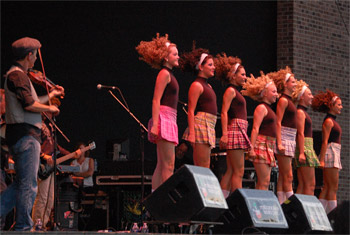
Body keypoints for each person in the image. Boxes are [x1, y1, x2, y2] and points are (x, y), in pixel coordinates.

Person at [0, 37, 64, 231]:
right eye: (35, 54)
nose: (36, 58)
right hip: (26, 136)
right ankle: (23, 227)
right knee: (28, 185)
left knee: (21, 184)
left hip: (23, 136)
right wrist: (50, 109)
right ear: (29, 55)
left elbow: (30, 101)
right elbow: (29, 105)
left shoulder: (20, 76)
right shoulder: (17, 76)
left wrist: (50, 97)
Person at [136, 33, 179, 191]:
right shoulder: (164, 73)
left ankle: (156, 201)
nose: (178, 57)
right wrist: (155, 125)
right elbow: (156, 99)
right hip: (164, 118)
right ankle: (167, 202)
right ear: (166, 57)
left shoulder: (169, 74)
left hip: (169, 118)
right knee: (168, 165)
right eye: (175, 54)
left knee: (163, 164)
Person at [31, 97, 73, 230]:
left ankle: (43, 224)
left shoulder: (51, 127)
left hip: (50, 166)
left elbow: (56, 146)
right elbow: (32, 144)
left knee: (50, 198)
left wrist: (71, 153)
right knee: (42, 197)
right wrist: (44, 155)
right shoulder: (38, 125)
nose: (53, 113)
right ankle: (36, 225)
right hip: (42, 164)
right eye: (51, 109)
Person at [214, 53, 251, 198]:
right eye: (242, 74)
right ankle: (238, 203)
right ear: (233, 76)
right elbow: (223, 112)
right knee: (238, 171)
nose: (245, 77)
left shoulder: (237, 92)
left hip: (239, 129)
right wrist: (224, 133)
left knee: (231, 171)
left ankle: (222, 201)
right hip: (235, 129)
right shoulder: (230, 91)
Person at [180, 45, 217, 168]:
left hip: (209, 125)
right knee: (203, 166)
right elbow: (190, 111)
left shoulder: (208, 86)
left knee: (205, 165)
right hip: (201, 124)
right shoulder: (196, 85)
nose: (213, 67)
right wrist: (192, 133)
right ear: (201, 67)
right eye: (210, 65)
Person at [242, 73, 278, 190]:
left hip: (269, 145)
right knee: (264, 181)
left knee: (266, 181)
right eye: (273, 92)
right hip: (261, 144)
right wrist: (251, 148)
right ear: (264, 93)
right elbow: (255, 128)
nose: (276, 95)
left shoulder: (269, 109)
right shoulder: (261, 108)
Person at [267, 67, 297, 204]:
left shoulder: (289, 100)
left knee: (283, 177)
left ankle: (282, 205)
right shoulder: (283, 100)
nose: (295, 83)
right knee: (288, 175)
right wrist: (279, 142)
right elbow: (278, 122)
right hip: (284, 137)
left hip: (290, 137)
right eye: (292, 81)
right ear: (285, 84)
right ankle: (291, 204)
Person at [312, 90, 343, 214]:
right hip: (330, 152)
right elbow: (324, 141)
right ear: (331, 106)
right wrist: (322, 160)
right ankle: (333, 215)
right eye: (339, 105)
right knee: (332, 187)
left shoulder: (332, 121)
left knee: (327, 187)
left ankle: (320, 214)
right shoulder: (328, 121)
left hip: (334, 151)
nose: (341, 107)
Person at [292, 80, 320, 196]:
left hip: (307, 147)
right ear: (302, 97)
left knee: (304, 184)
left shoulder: (303, 112)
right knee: (309, 184)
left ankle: (299, 210)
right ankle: (307, 210)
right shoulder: (300, 112)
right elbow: (300, 133)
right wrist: (302, 152)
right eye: (309, 94)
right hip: (304, 148)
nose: (312, 97)